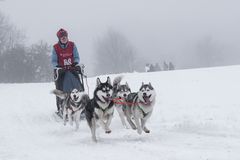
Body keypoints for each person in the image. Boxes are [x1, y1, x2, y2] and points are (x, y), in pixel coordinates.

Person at [51, 28, 82, 113]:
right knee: (60, 88)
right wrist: (57, 66)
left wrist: (75, 63)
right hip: (61, 71)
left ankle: (81, 103)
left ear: (67, 37)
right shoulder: (56, 48)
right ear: (59, 39)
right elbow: (53, 61)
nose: (64, 39)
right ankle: (61, 106)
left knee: (77, 83)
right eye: (62, 38)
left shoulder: (72, 45)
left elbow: (76, 57)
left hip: (71, 68)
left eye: (65, 37)